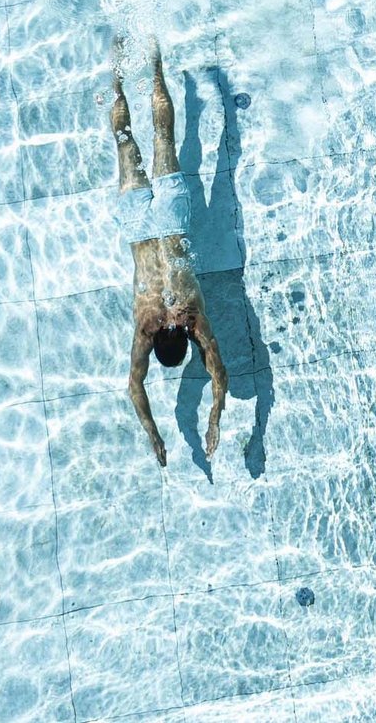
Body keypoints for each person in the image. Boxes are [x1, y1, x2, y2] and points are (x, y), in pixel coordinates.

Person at [109, 36, 228, 466]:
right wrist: (155, 432)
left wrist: (214, 416)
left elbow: (219, 378)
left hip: (170, 222)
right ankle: (120, 79)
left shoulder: (193, 323)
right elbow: (135, 386)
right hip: (140, 227)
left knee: (162, 137)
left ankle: (151, 67)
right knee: (128, 143)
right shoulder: (149, 326)